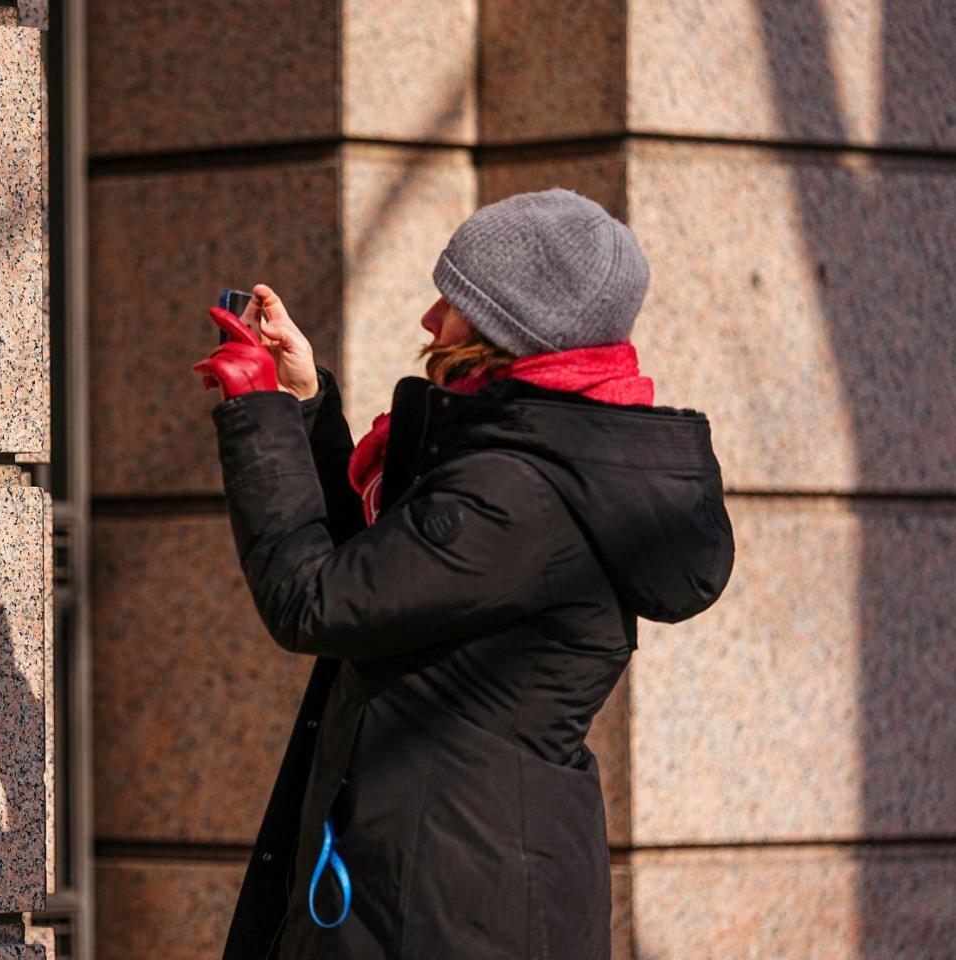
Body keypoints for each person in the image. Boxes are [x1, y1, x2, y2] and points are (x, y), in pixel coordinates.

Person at [192, 189, 735, 959]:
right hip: (451, 879)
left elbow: (315, 600)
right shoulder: (538, 459)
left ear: (512, 329)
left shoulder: (515, 493)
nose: (429, 320)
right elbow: (376, 583)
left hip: (444, 904)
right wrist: (303, 403)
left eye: (454, 301)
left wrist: (255, 417)